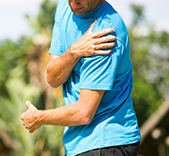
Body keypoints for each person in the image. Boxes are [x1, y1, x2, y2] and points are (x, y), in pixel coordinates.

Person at [20, 0, 141, 155]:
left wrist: (39, 117)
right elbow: (53, 78)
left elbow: (83, 112)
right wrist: (74, 52)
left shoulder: (105, 31)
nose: (74, 2)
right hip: (78, 145)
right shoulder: (65, 7)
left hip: (108, 141)